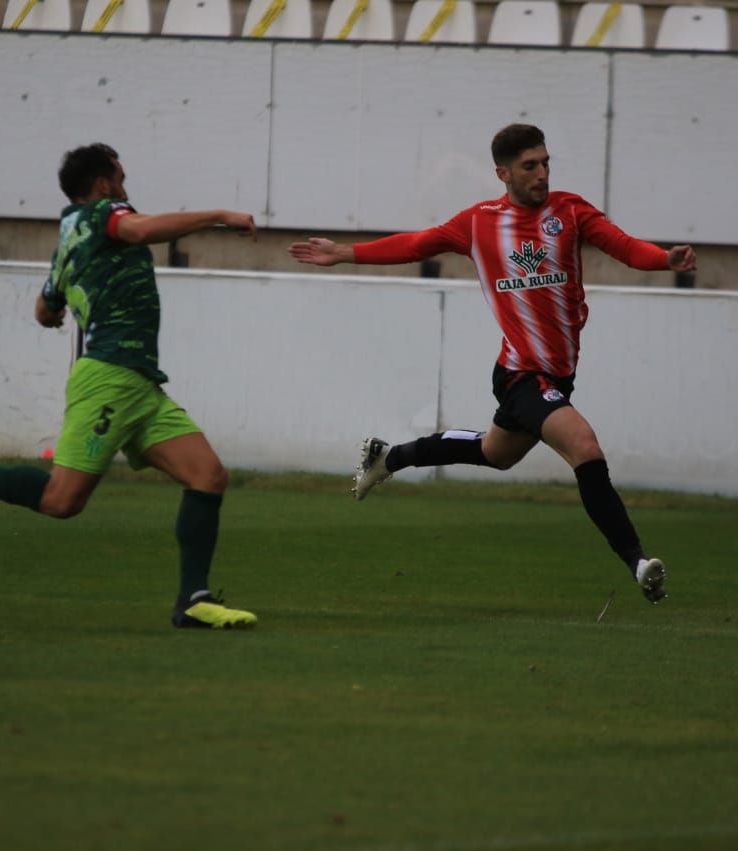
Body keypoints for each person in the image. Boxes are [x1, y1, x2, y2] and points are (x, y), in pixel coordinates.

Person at [289, 123, 696, 604]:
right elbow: (417, 244)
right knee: (584, 446)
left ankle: (388, 457)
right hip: (522, 374)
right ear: (503, 173)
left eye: (546, 162)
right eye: (530, 166)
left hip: (557, 376)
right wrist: (345, 253)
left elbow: (624, 247)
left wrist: (663, 259)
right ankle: (638, 562)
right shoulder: (479, 222)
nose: (542, 173)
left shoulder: (569, 211)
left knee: (494, 454)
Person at [0, 143, 259, 629]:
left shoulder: (68, 234)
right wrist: (218, 215)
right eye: (121, 176)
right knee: (61, 501)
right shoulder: (106, 212)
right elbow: (142, 230)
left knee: (207, 476)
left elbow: (45, 309)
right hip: (109, 377)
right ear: (104, 183)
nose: (126, 185)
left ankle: (192, 600)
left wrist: (63, 308)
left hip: (138, 382)